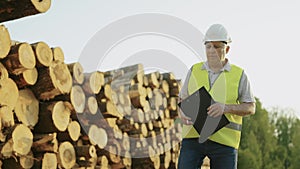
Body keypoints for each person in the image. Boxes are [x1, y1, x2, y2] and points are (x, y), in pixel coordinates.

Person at [177, 24, 256, 169]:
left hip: (224, 143)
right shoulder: (194, 70)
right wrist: (181, 112)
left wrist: (226, 108)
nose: (212, 51)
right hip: (193, 138)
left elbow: (250, 107)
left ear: (227, 49)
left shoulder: (239, 75)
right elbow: (181, 99)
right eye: (208, 46)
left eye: (217, 47)